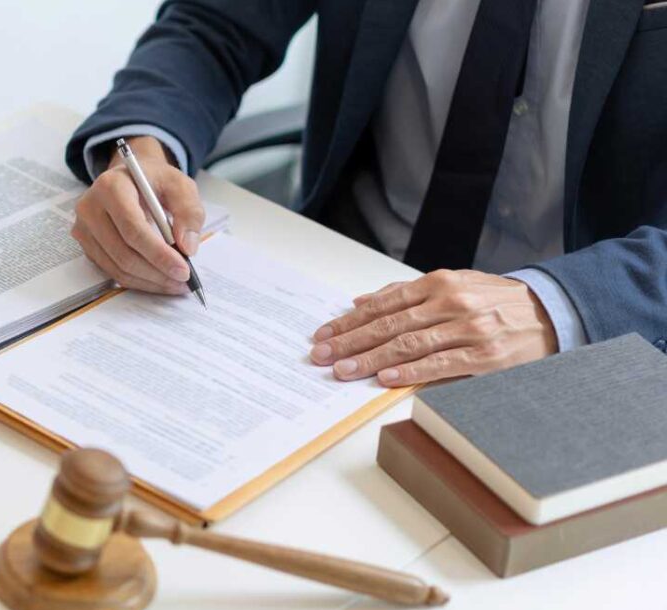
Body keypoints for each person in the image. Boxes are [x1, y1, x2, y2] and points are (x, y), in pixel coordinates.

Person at [67, 0, 667, 387]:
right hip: (342, 279)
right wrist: (143, 147)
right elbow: (215, 24)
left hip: (593, 334)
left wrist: (551, 304)